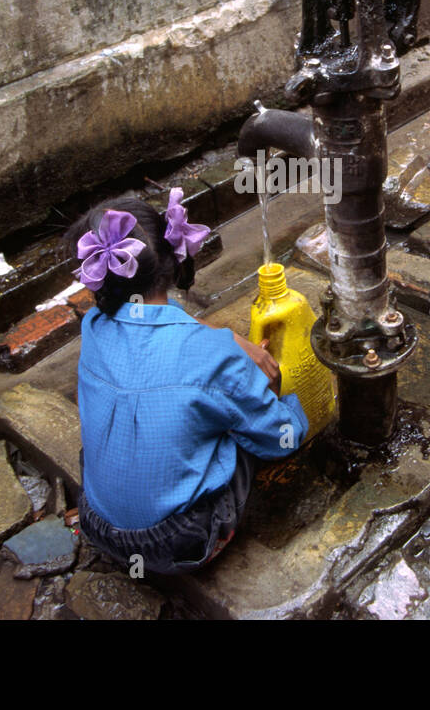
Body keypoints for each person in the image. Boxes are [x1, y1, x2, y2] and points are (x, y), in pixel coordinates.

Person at [68, 190, 308, 575]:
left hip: (97, 524)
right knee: (242, 429)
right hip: (177, 542)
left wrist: (227, 338)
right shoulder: (213, 357)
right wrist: (273, 390)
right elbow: (282, 438)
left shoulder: (93, 328)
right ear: (170, 259)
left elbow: (155, 324)